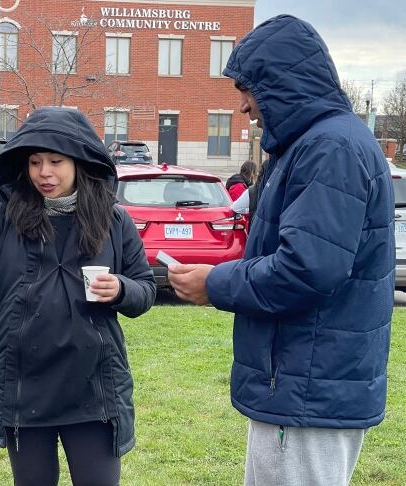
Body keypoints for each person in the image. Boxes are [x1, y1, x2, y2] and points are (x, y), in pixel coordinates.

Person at [168, 14, 394, 486]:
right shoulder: (314, 144)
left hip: (307, 390)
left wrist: (215, 284)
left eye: (248, 88)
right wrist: (223, 270)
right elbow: (294, 250)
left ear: (280, 82)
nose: (244, 105)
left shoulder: (330, 148)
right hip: (302, 385)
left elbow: (307, 270)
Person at [0, 107, 156, 486]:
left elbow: (145, 288)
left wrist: (122, 289)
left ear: (79, 161)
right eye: (34, 162)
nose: (44, 172)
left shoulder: (114, 220)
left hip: (93, 386)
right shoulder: (7, 213)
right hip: (24, 383)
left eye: (56, 161)